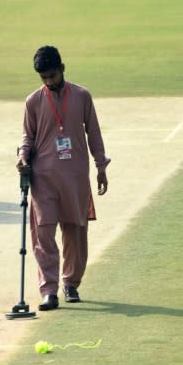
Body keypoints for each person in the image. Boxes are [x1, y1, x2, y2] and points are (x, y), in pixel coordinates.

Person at [16, 45, 111, 311]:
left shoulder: (82, 96)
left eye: (53, 76)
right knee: (43, 232)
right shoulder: (33, 101)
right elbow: (28, 136)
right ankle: (49, 290)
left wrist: (101, 166)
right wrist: (23, 157)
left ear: (63, 69)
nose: (49, 81)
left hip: (76, 177)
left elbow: (94, 132)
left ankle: (71, 284)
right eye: (44, 78)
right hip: (42, 178)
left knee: (75, 231)